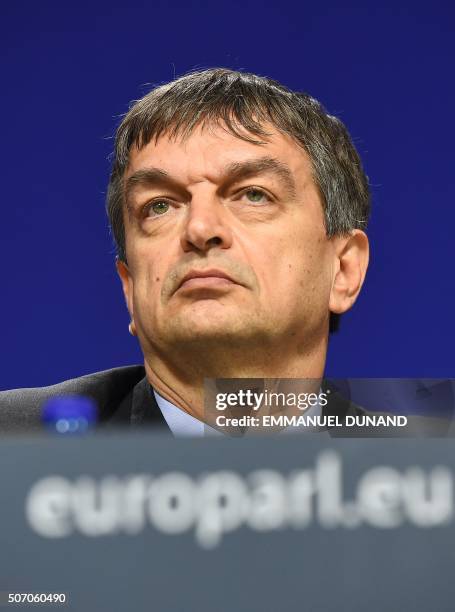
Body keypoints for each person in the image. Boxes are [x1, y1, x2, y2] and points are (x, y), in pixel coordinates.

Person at [0, 68, 372, 435]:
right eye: (160, 205)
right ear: (130, 289)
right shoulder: (14, 449)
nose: (200, 228)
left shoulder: (424, 474)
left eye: (253, 194)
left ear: (343, 269)